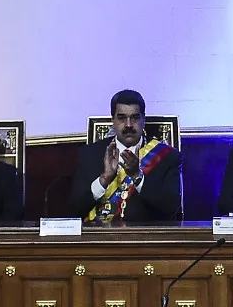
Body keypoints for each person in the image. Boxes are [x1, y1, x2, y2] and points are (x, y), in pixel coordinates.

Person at [68, 90, 181, 224]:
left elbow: (171, 207)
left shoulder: (166, 156)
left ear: (143, 120)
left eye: (134, 117)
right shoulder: (89, 154)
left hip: (146, 240)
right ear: (113, 121)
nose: (128, 125)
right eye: (121, 118)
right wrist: (104, 179)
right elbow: (74, 210)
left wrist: (137, 176)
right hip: (99, 241)